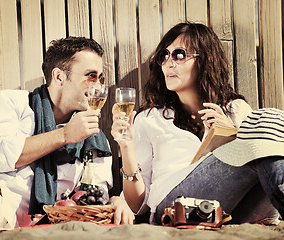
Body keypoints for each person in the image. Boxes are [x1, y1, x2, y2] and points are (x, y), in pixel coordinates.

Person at [0, 36, 134, 230]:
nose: (98, 86)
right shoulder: (12, 102)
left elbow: (91, 198)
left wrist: (116, 200)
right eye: (91, 76)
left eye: (101, 78)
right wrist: (63, 136)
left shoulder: (93, 140)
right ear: (59, 76)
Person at [111, 22, 284, 225]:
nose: (168, 63)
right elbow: (138, 204)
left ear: (205, 60)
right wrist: (126, 146)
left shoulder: (235, 109)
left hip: (234, 211)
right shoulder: (150, 119)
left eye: (179, 54)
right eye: (164, 56)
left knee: (270, 118)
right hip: (175, 207)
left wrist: (231, 134)